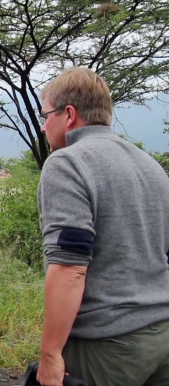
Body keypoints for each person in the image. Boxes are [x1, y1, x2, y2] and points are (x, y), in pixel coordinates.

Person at [35, 67, 169, 386]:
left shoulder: (67, 162)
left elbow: (70, 267)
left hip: (107, 343)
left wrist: (50, 353)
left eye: (46, 116)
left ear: (69, 115)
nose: (43, 127)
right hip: (162, 334)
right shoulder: (149, 164)